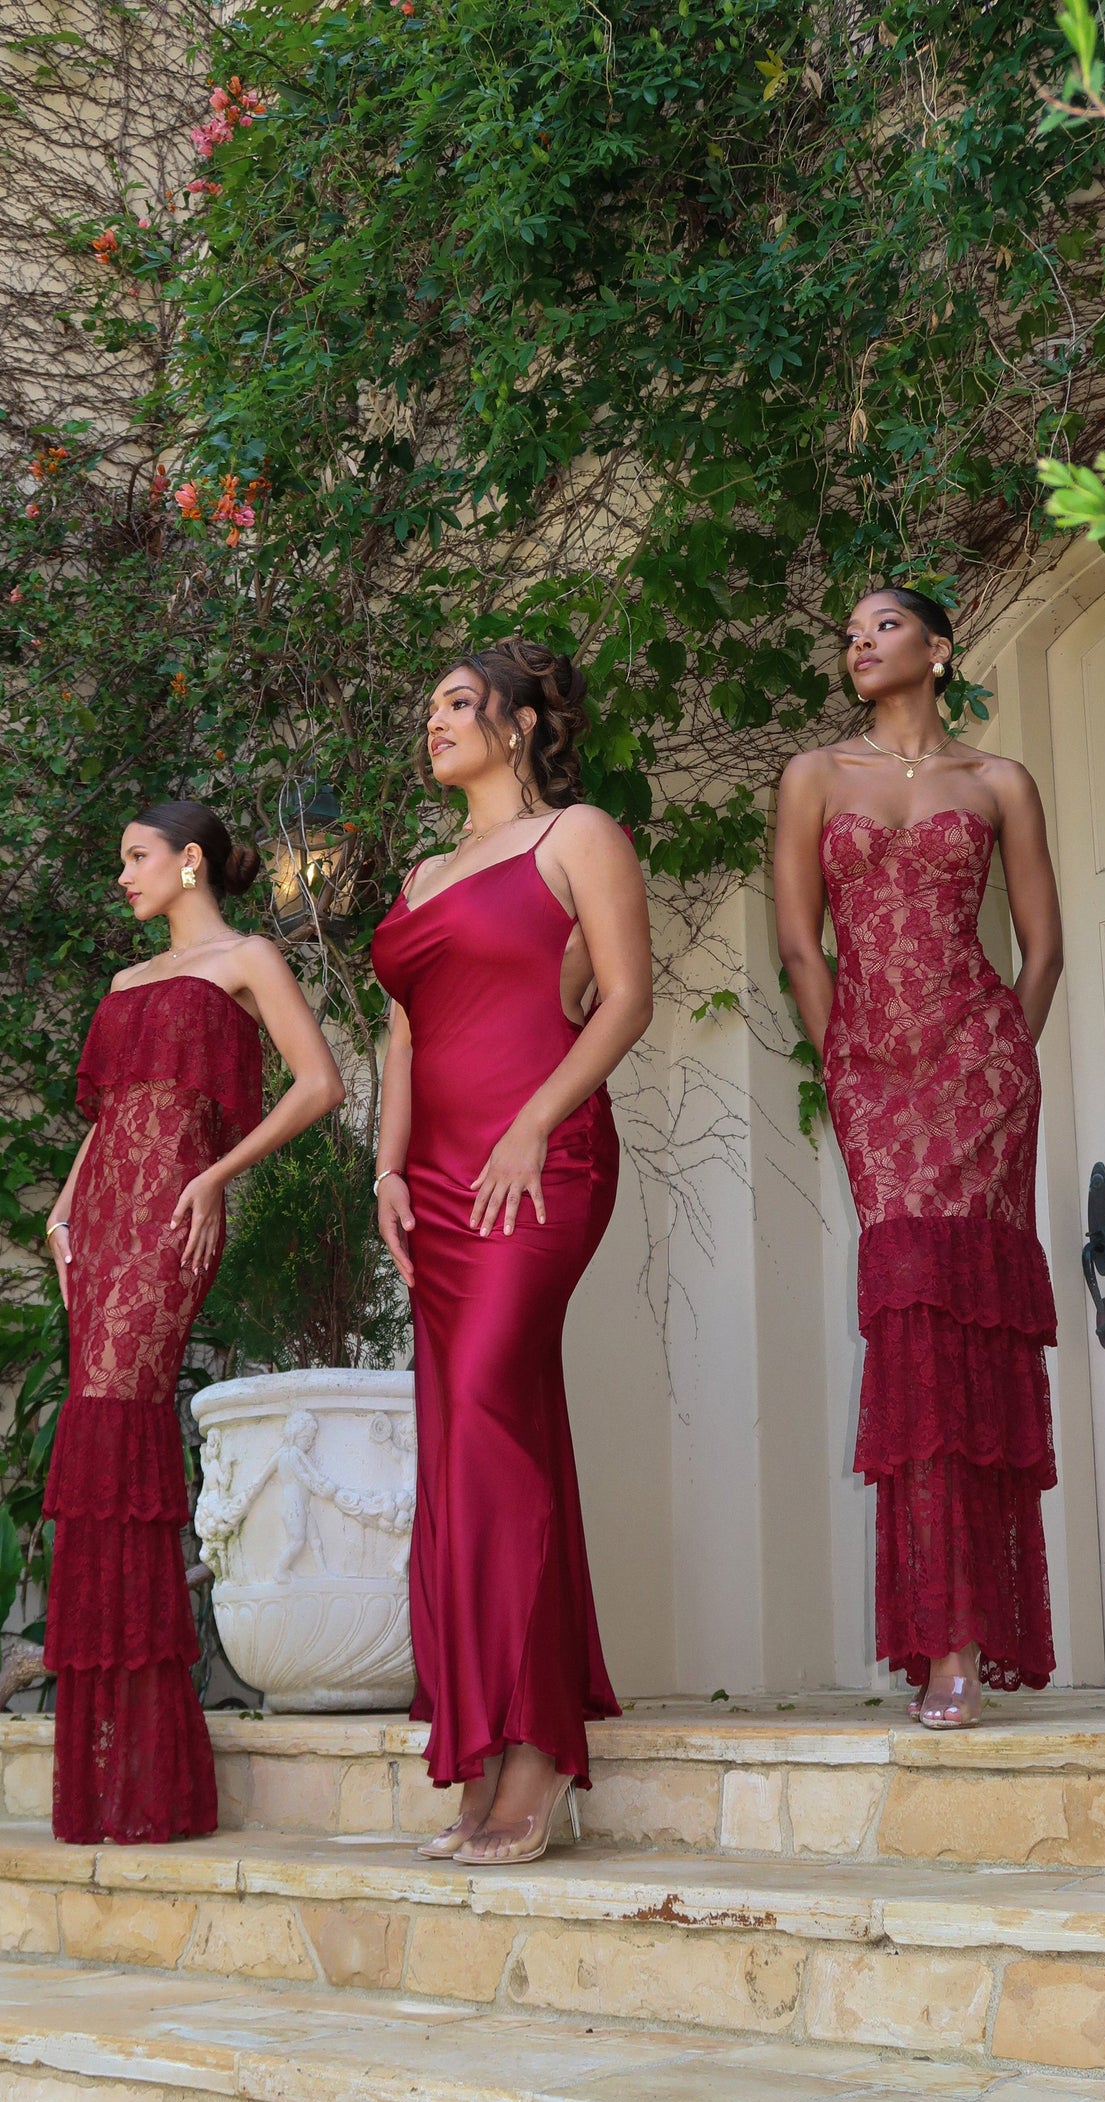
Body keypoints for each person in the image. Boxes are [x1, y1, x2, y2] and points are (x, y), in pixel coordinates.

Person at [371, 639, 652, 1864]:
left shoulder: (576, 835)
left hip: (539, 1159)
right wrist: (383, 1167)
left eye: (454, 701)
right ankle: (487, 1748)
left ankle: (536, 1749)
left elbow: (628, 997)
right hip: (432, 1180)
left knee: (488, 1408)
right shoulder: (425, 868)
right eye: (425, 701)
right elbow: (401, 1036)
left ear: (524, 721)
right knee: (467, 1435)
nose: (430, 719)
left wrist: (537, 1121)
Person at [774, 590, 1063, 1729]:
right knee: (910, 1320)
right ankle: (935, 1635)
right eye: (847, 629)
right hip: (874, 1077)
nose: (857, 639)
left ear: (937, 651)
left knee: (967, 1330)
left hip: (978, 1073)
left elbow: (1039, 947)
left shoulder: (998, 783)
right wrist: (845, 1059)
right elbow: (802, 940)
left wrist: (1001, 1056)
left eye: (882, 624)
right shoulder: (811, 775)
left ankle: (968, 1645)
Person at [42, 801, 343, 1842]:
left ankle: (148, 1774)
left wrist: (219, 1174)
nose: (121, 874)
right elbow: (110, 1114)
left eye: (134, 857)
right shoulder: (125, 984)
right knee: (96, 1428)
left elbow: (320, 1083)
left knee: (115, 1423)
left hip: (173, 1215)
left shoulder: (248, 956)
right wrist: (61, 1205)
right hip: (100, 1222)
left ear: (189, 862)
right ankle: (109, 1773)